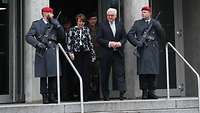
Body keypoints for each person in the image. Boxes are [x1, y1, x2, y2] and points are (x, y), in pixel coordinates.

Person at [25, 6, 65, 104]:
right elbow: (28, 36)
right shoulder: (36, 24)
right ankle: (44, 96)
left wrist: (58, 25)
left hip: (52, 50)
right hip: (42, 50)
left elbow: (62, 37)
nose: (50, 15)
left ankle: (52, 95)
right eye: (48, 13)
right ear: (43, 13)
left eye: (51, 13)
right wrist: (37, 43)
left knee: (53, 75)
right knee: (43, 75)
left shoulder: (55, 23)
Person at [127, 6, 165, 99]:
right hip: (143, 50)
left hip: (153, 50)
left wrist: (157, 25)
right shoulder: (137, 23)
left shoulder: (155, 23)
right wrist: (137, 42)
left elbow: (162, 35)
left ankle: (151, 92)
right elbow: (129, 35)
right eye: (142, 12)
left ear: (150, 13)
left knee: (153, 72)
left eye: (145, 12)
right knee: (143, 72)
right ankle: (144, 92)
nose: (143, 14)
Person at [96, 8, 127, 101]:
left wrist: (120, 43)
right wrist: (109, 43)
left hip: (118, 53)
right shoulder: (102, 25)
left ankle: (122, 93)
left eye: (112, 15)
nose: (110, 17)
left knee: (120, 73)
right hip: (106, 54)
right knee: (105, 74)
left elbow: (124, 37)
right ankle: (106, 95)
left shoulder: (120, 24)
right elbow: (99, 38)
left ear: (116, 16)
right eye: (108, 15)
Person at [67, 13, 96, 101]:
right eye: (80, 21)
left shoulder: (86, 30)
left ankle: (85, 96)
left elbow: (90, 42)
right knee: (77, 74)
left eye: (83, 22)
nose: (81, 23)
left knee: (86, 75)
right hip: (76, 53)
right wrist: (70, 52)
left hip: (85, 53)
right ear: (77, 21)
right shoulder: (72, 30)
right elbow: (69, 42)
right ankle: (78, 94)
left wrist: (93, 54)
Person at [87, 12, 100, 100]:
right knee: (88, 75)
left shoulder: (99, 29)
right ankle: (89, 94)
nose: (93, 21)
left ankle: (96, 94)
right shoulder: (86, 29)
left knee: (96, 75)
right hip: (88, 55)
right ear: (88, 20)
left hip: (98, 55)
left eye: (95, 19)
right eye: (91, 19)